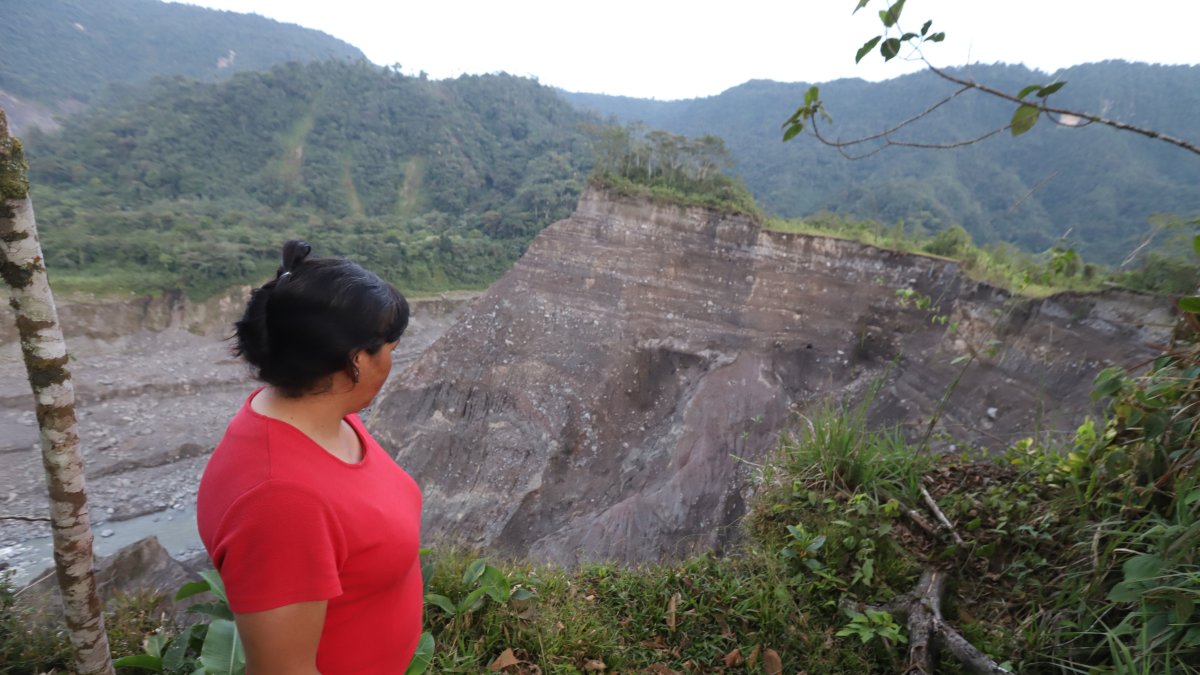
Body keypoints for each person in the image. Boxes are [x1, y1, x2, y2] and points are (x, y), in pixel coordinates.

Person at [197, 240, 422, 674]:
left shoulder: (317, 415)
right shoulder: (281, 501)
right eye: (391, 349)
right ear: (356, 362)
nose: (393, 361)